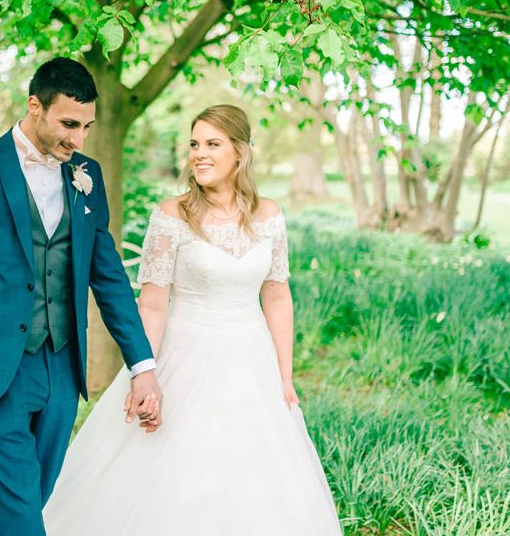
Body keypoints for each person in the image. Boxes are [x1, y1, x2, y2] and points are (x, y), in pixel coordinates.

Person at [43, 104, 342, 535]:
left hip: (250, 361)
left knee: (255, 476)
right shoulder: (172, 216)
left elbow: (277, 295)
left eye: (212, 144)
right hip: (184, 355)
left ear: (240, 152)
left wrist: (284, 375)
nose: (199, 154)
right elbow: (153, 304)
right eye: (194, 144)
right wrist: (142, 371)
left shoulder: (270, 215)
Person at [0, 57, 163, 536]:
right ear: (34, 106)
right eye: (69, 124)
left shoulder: (87, 173)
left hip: (63, 365)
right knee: (24, 507)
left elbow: (106, 276)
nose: (79, 139)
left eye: (87, 126)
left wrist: (142, 366)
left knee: (32, 496)